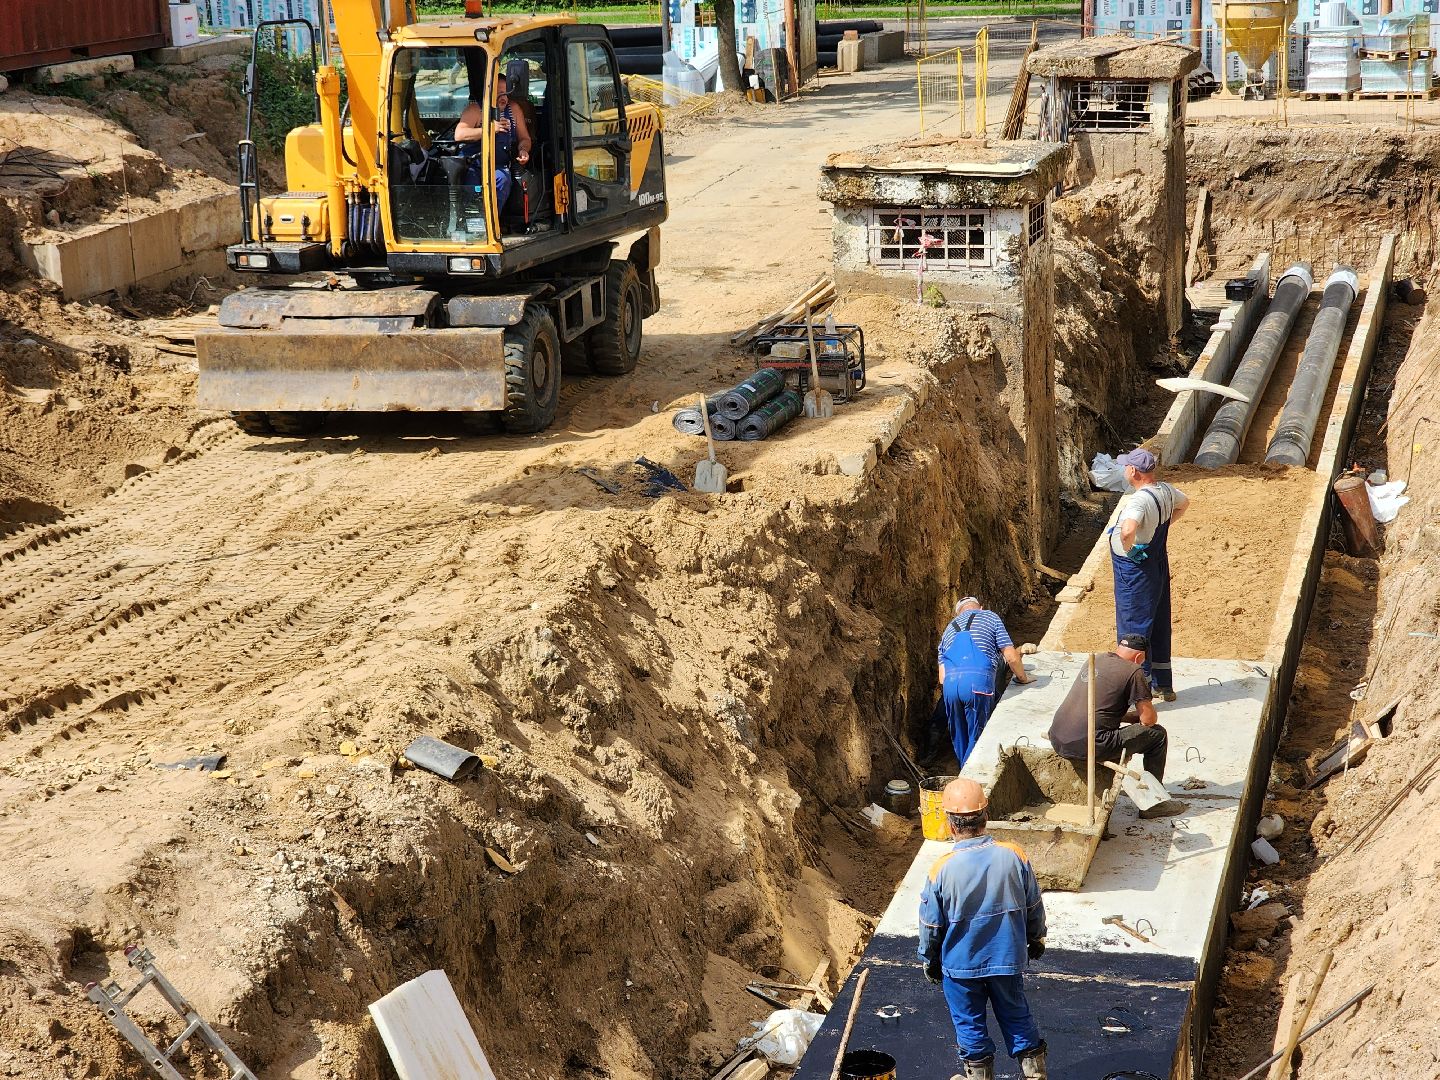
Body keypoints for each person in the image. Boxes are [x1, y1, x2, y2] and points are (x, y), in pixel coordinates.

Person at [919, 778, 1048, 1080]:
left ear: (950, 824)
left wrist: (930, 959)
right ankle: (1035, 1075)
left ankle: (978, 1076)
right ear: (985, 817)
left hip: (961, 966)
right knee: (1016, 1015)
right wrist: (1035, 937)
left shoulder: (942, 869)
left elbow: (931, 925)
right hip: (1006, 958)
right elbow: (1033, 905)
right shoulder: (1014, 854)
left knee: (969, 1024)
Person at [1109, 448, 1188, 702]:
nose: (1124, 471)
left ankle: (1137, 695)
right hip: (1156, 564)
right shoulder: (1165, 490)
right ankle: (1163, 684)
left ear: (1133, 471)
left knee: (1133, 630)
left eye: (1125, 467)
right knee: (1158, 621)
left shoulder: (1139, 500)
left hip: (1134, 572)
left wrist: (1129, 547)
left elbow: (1128, 529)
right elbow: (1184, 503)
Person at [1046, 633, 1170, 787]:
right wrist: (1142, 716)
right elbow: (1148, 720)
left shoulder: (1097, 659)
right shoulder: (1133, 670)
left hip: (1057, 738)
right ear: (1139, 657)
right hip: (1089, 744)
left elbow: (1099, 709)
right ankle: (1154, 803)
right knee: (1157, 735)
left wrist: (1127, 717)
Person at [936, 597, 1034, 768]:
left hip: (950, 688)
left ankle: (963, 774)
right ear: (980, 608)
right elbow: (1011, 656)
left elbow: (942, 678)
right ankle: (972, 781)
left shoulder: (948, 629)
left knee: (960, 736)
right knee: (978, 736)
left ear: (958, 613)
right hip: (978, 684)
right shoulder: (990, 617)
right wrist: (1023, 678)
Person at [454, 72, 531, 208]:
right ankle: (472, 222)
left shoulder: (513, 110)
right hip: (473, 165)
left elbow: (525, 138)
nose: (503, 97)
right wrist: (489, 130)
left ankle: (492, 223)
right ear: (488, 92)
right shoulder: (475, 110)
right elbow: (460, 134)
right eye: (499, 92)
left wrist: (523, 150)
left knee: (503, 179)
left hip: (498, 166)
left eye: (506, 92)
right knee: (471, 187)